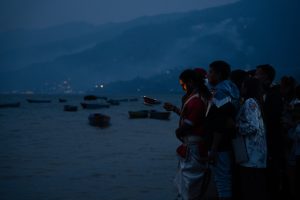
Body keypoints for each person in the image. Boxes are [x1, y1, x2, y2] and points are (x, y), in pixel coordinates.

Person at [164, 69, 211, 200]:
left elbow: (191, 122)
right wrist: (174, 109)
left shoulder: (196, 100)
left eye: (183, 84)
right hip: (192, 146)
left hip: (193, 147)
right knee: (188, 180)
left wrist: (179, 131)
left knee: (190, 181)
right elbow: (190, 118)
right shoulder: (198, 97)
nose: (183, 88)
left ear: (190, 82)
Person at [204, 60, 240, 200]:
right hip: (228, 140)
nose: (207, 75)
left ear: (218, 74)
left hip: (219, 143)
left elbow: (220, 121)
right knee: (224, 178)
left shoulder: (220, 92)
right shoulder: (232, 88)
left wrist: (213, 147)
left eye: (210, 72)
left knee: (222, 180)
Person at [255, 64, 284, 200]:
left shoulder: (274, 94)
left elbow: (273, 117)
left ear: (265, 76)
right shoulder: (265, 92)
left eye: (258, 74)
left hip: (272, 137)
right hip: (267, 138)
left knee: (273, 169)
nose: (255, 76)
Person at [235, 77, 268, 200]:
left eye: (243, 86)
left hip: (251, 155)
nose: (241, 88)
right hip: (257, 155)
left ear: (248, 88)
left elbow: (253, 126)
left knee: (251, 189)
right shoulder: (256, 102)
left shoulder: (249, 102)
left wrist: (236, 126)